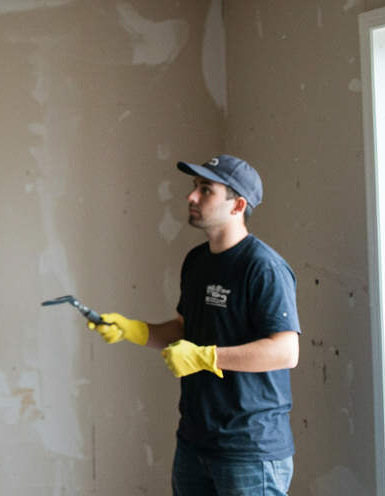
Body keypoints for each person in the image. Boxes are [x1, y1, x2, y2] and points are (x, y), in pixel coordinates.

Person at [88, 155, 299, 496]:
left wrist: (206, 357)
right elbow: (184, 330)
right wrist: (133, 329)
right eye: (194, 188)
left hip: (248, 449)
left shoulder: (262, 267)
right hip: (194, 443)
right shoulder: (197, 261)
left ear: (238, 205)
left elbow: (285, 352)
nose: (191, 197)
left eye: (206, 190)